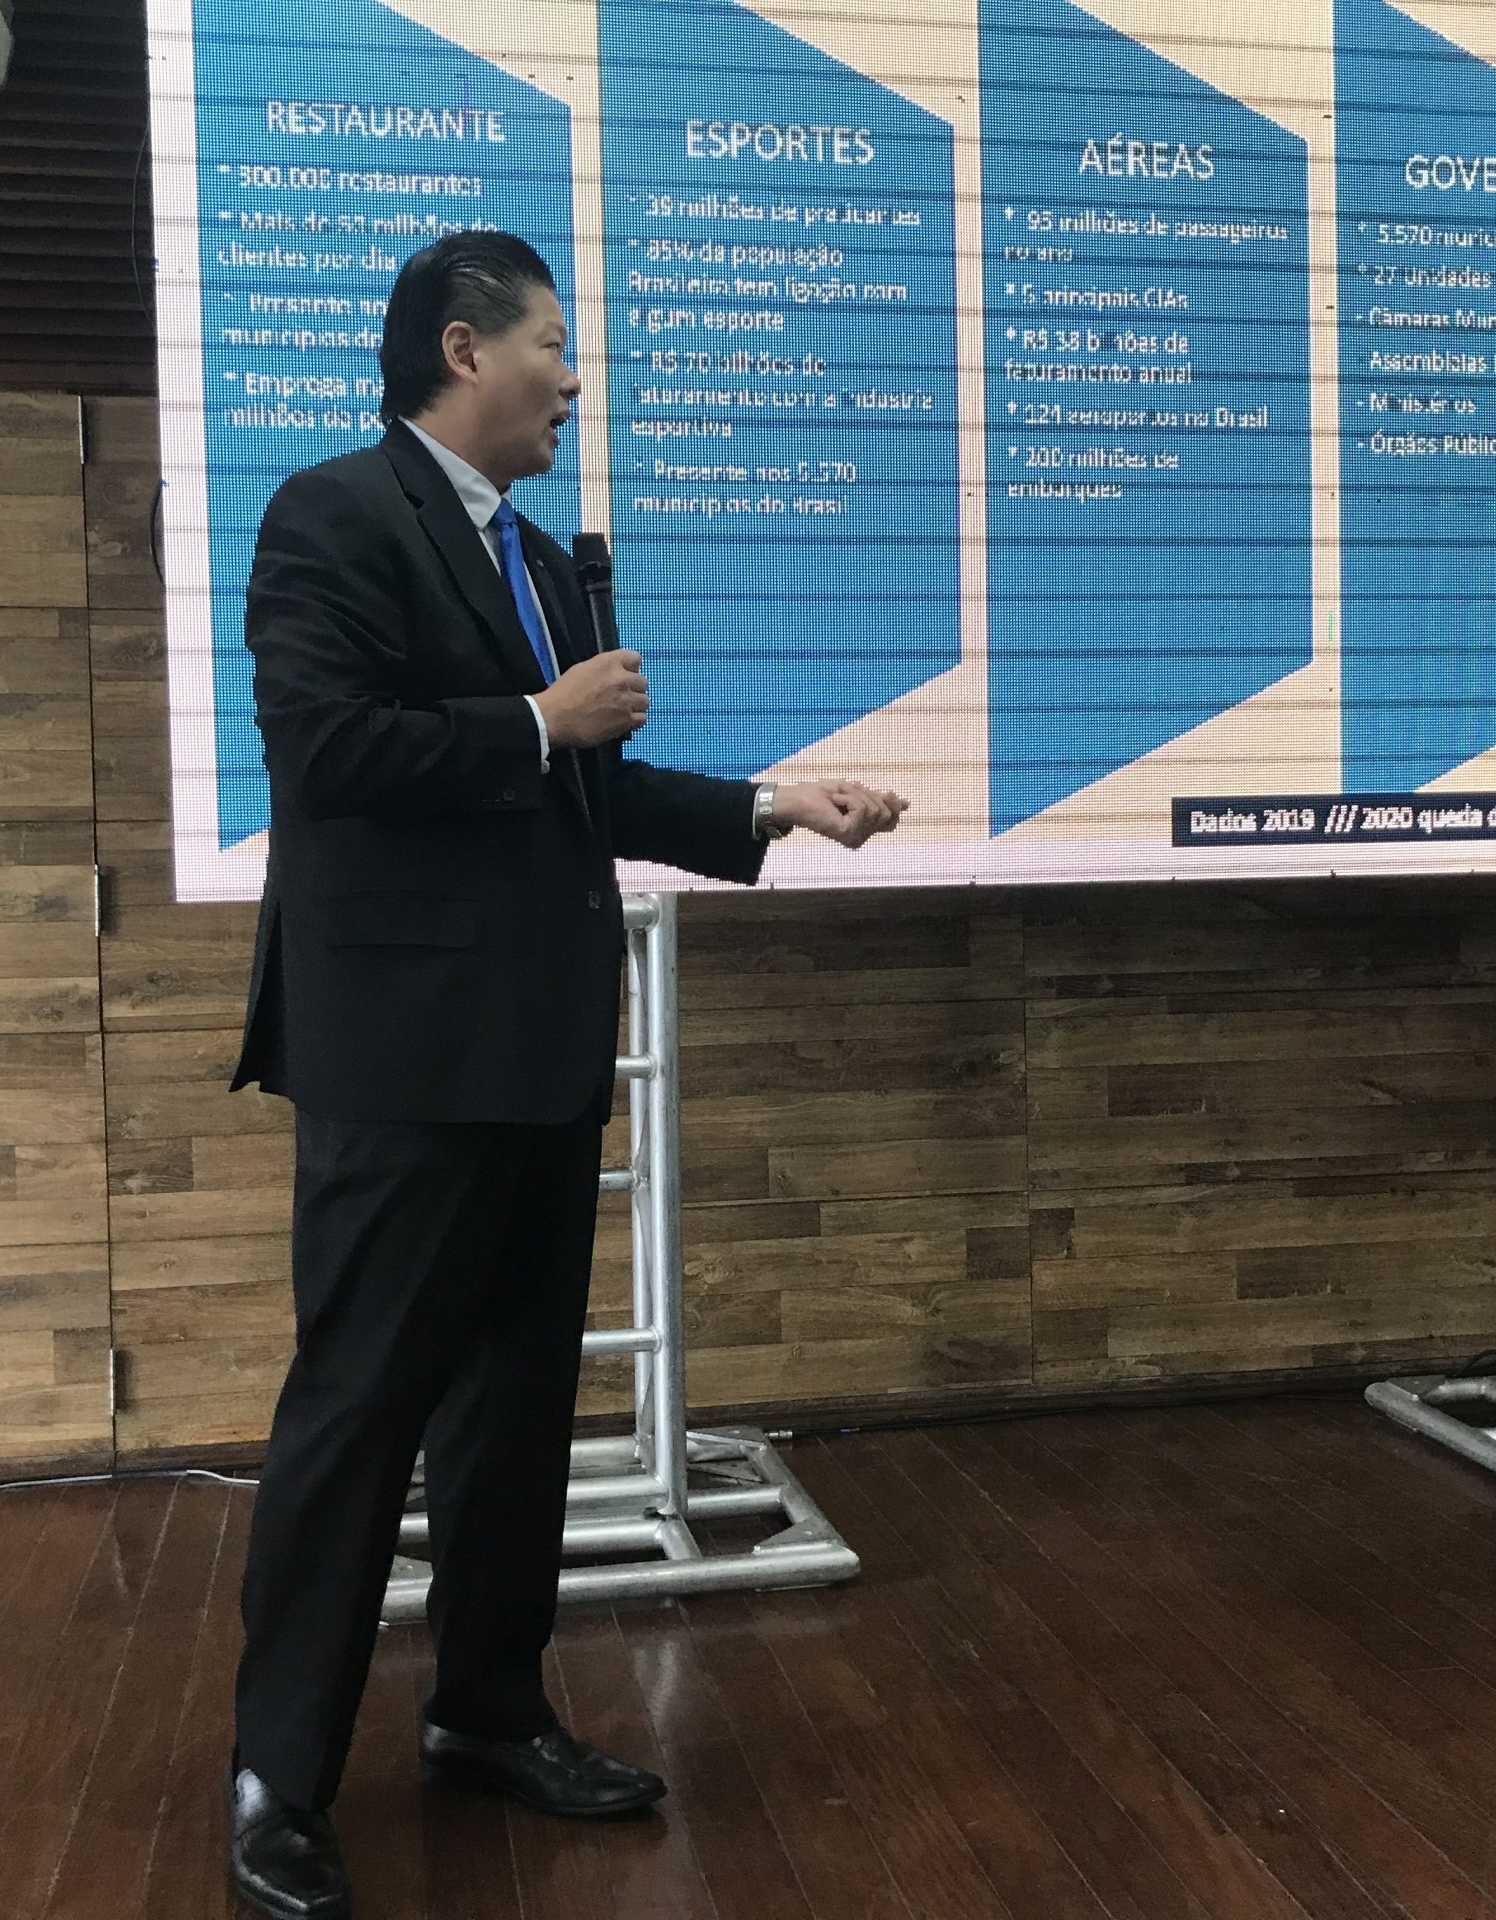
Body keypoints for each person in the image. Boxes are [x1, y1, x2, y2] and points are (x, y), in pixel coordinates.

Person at [223, 229, 908, 1920]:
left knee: (518, 1408)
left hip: (536, 1043)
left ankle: (486, 1710)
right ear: (465, 350)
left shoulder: (538, 556)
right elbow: (324, 749)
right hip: (403, 1056)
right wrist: (539, 719)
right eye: (552, 346)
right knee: (360, 1407)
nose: (575, 382)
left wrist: (772, 806)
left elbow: (582, 791)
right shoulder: (331, 514)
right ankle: (275, 1783)